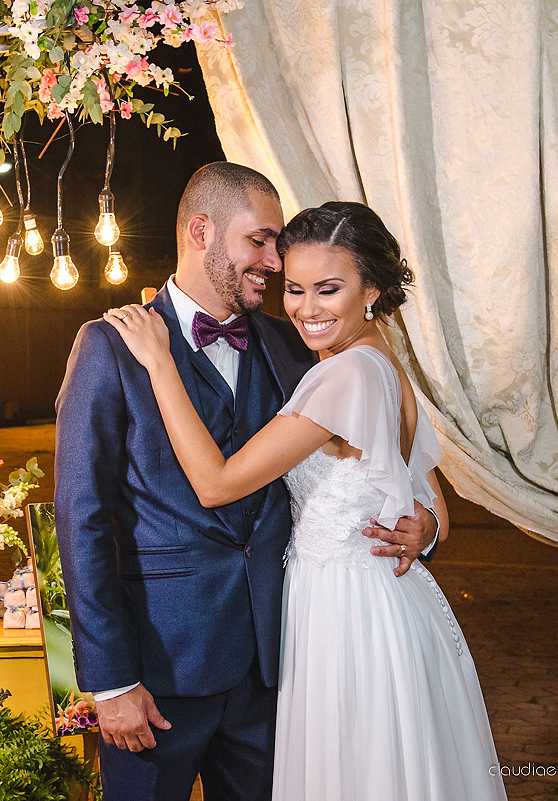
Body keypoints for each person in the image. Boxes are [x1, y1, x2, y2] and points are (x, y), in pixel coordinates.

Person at [53, 164, 439, 801]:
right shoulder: (111, 346)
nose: (274, 259)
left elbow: (378, 455)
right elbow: (82, 518)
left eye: (277, 243)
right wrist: (111, 678)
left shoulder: (297, 345)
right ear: (202, 231)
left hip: (282, 662)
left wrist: (419, 524)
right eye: (259, 241)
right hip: (160, 669)